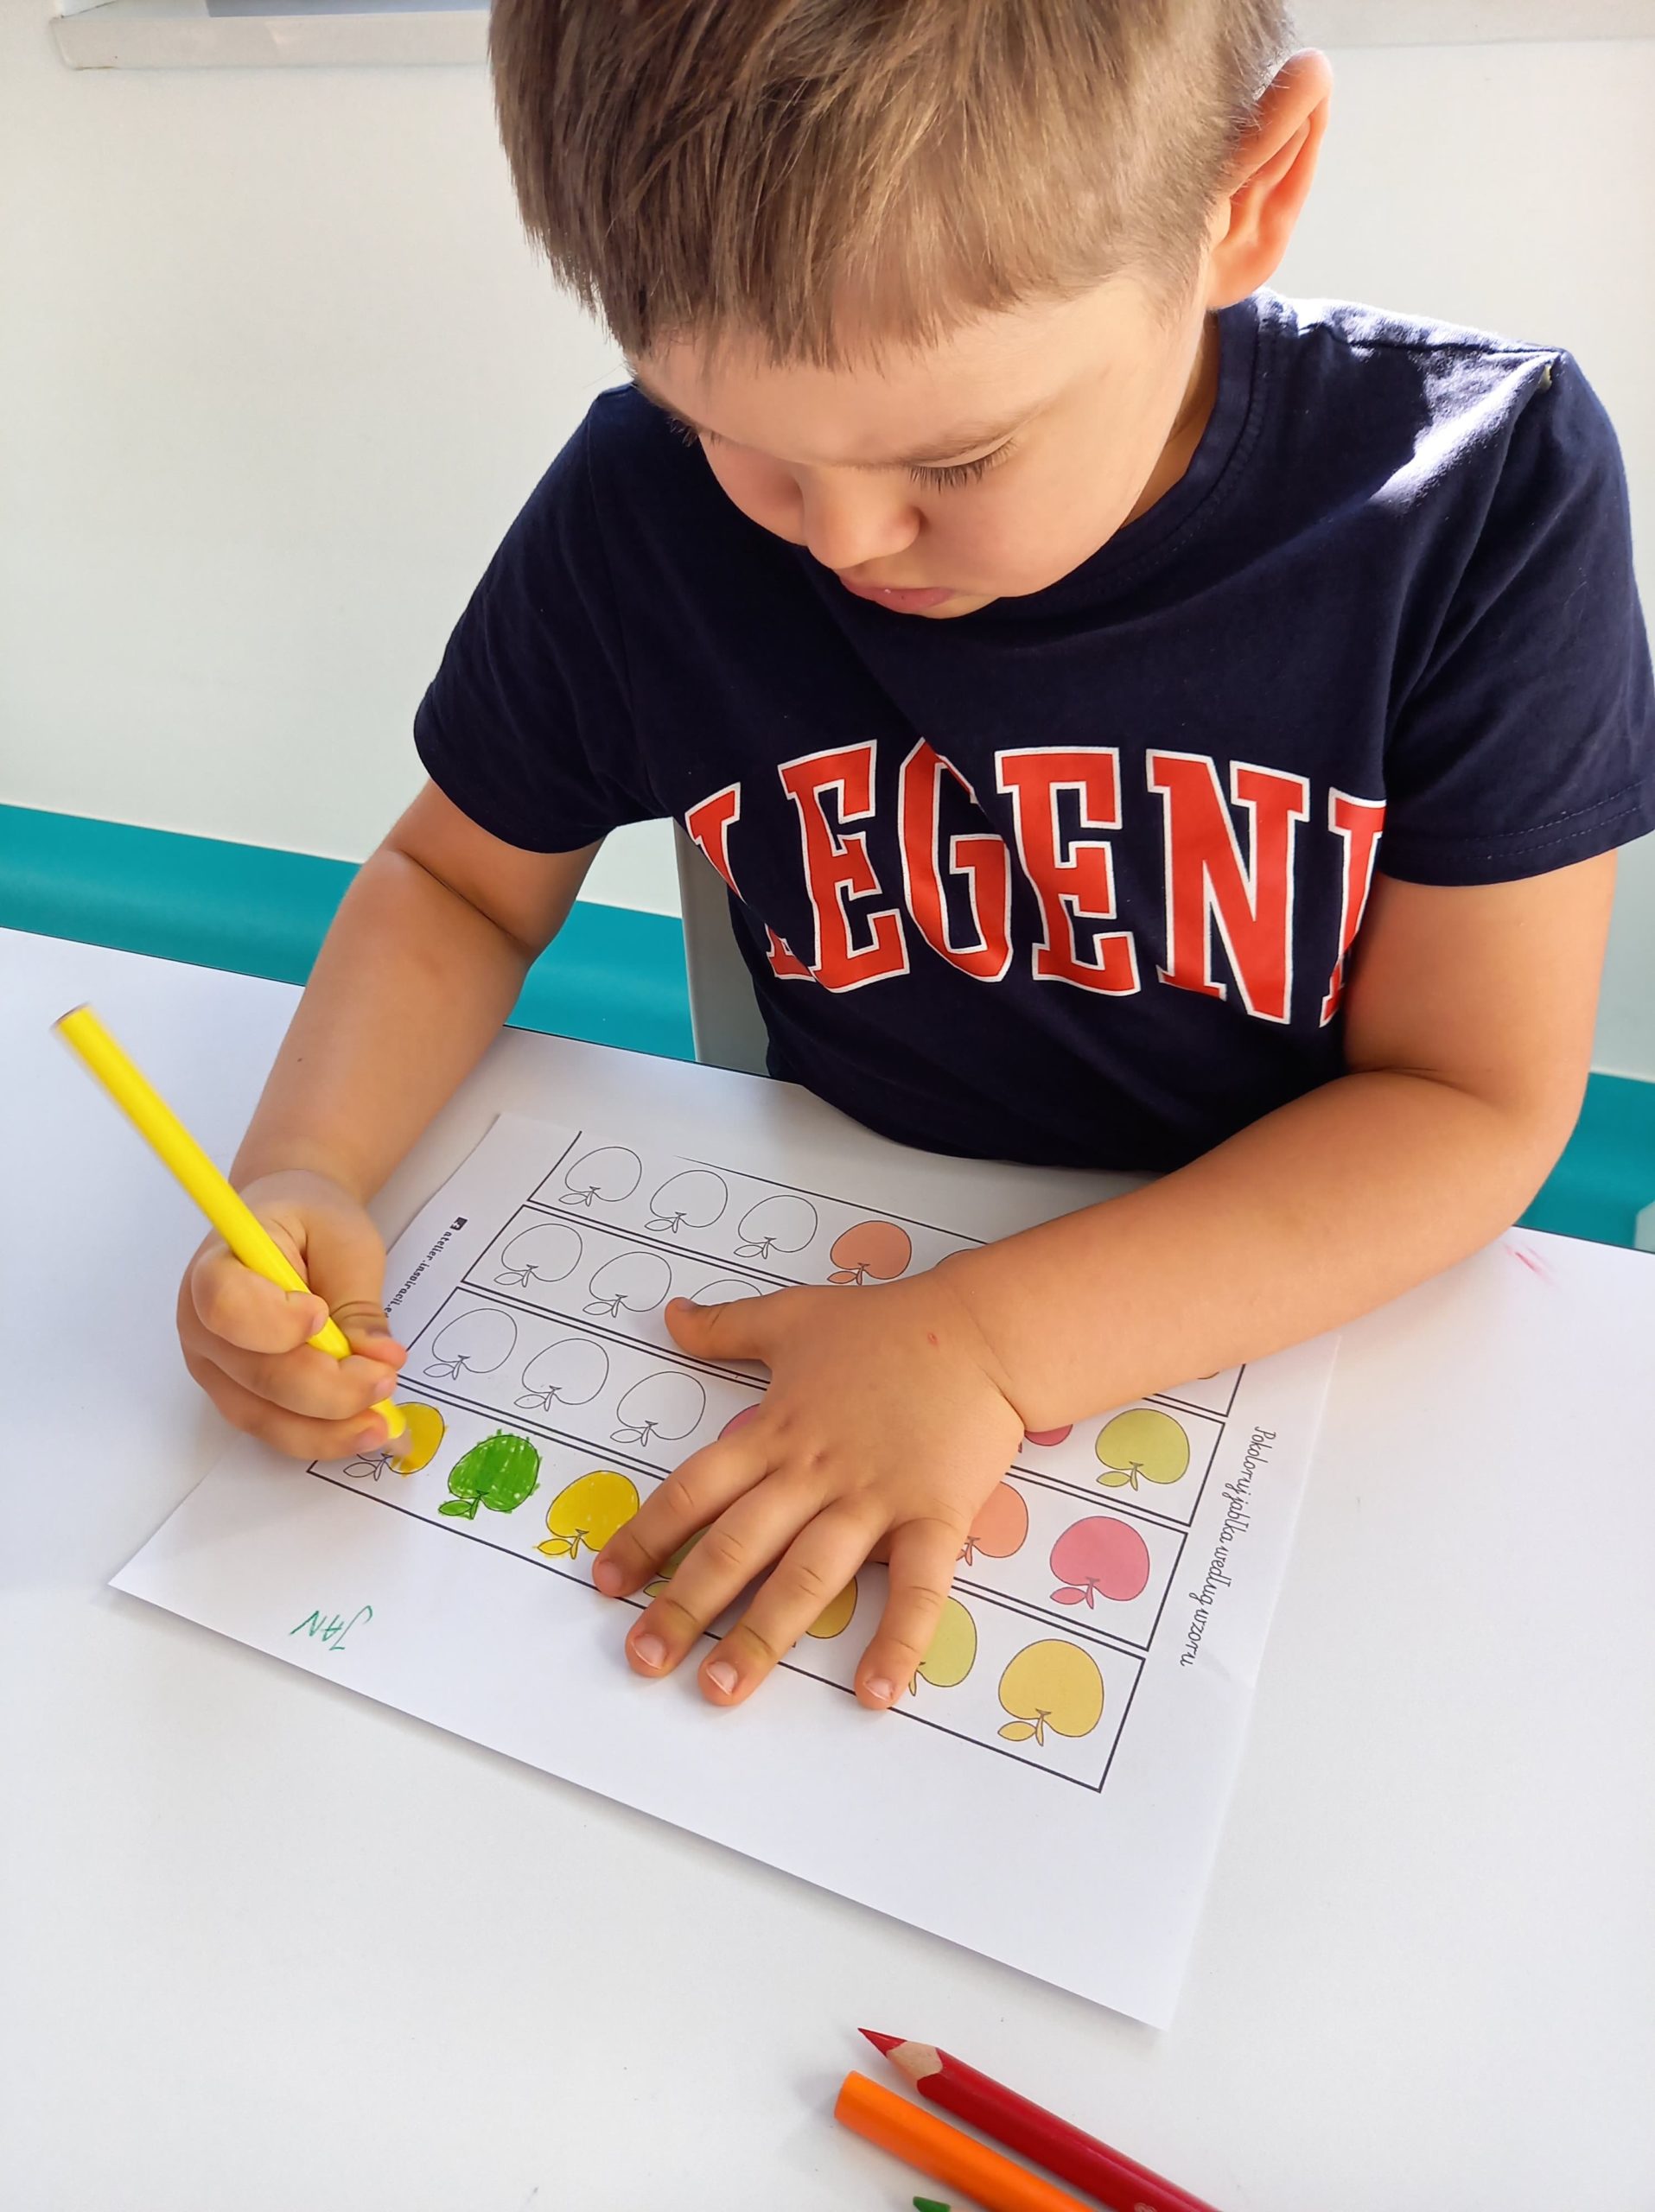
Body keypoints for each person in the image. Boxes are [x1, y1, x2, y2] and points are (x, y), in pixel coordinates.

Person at [176, 1, 1654, 1712]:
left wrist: (993, 1342)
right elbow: (455, 883)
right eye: (736, 436)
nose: (847, 538)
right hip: (828, 1226)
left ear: (1244, 197)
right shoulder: (640, 506)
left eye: (957, 456)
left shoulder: (1480, 495)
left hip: (1294, 1335)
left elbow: (1471, 1101)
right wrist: (301, 1168)